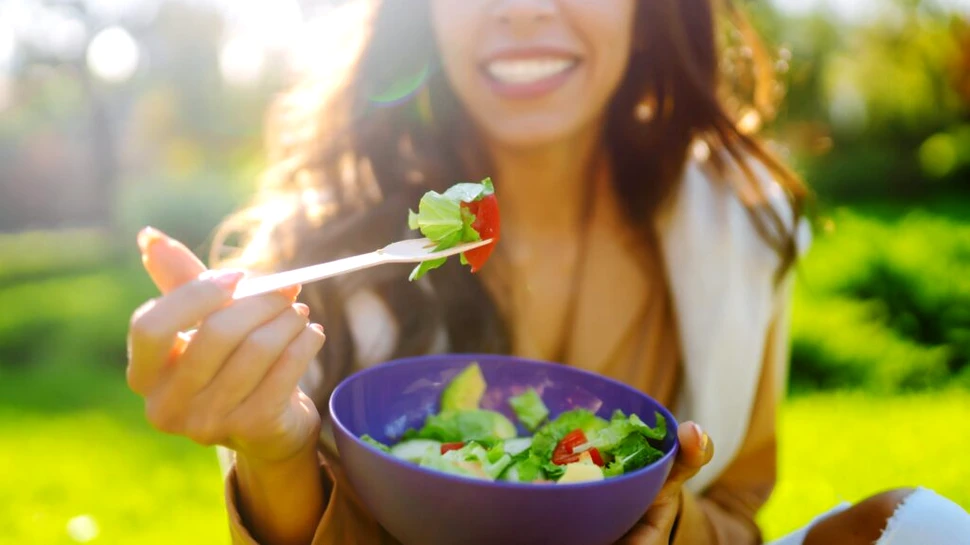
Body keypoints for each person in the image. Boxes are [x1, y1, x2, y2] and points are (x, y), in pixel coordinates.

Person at [126, 1, 970, 544]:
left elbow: (738, 507)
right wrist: (277, 455)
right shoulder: (316, 249)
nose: (524, 10)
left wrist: (669, 526)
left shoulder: (737, 225)